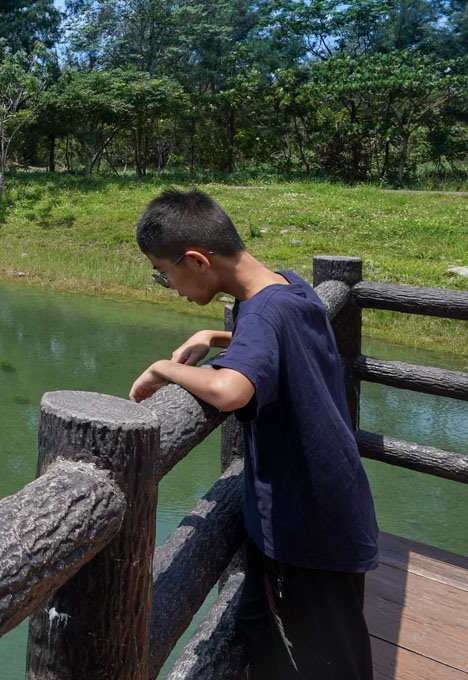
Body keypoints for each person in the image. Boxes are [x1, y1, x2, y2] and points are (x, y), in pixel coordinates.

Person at [127, 189, 377, 680]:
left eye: (164, 273)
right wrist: (214, 336)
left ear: (197, 260)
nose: (169, 286)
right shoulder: (287, 287)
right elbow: (280, 330)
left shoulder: (262, 312)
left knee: (329, 665)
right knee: (260, 633)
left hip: (307, 531)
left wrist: (163, 369)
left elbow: (230, 390)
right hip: (326, 510)